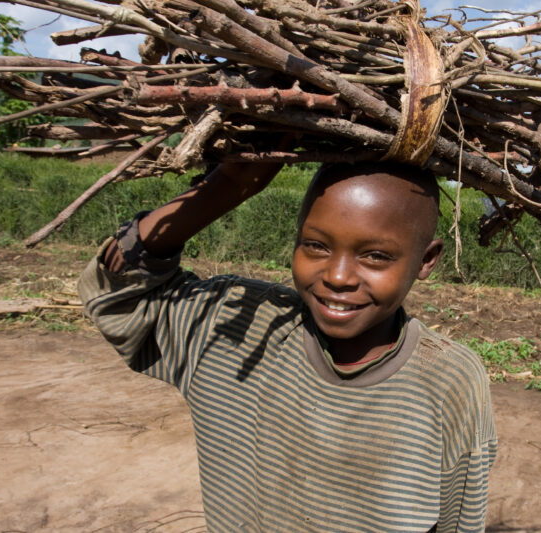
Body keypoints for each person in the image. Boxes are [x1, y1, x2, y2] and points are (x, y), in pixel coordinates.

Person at [78, 158, 497, 533]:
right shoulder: (237, 328)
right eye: (316, 245)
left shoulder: (448, 380)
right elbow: (119, 294)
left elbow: (461, 519)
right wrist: (222, 189)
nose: (338, 276)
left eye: (374, 256)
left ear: (427, 260)